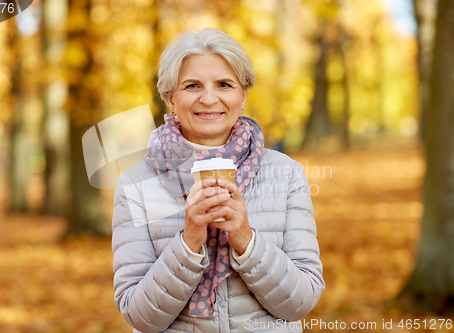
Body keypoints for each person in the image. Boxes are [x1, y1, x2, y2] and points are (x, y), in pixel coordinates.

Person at [112, 27, 324, 333]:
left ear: (243, 94)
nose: (209, 98)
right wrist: (189, 241)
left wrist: (245, 239)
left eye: (224, 84)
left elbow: (300, 302)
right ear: (170, 97)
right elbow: (140, 316)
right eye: (192, 85)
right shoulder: (137, 185)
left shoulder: (286, 173)